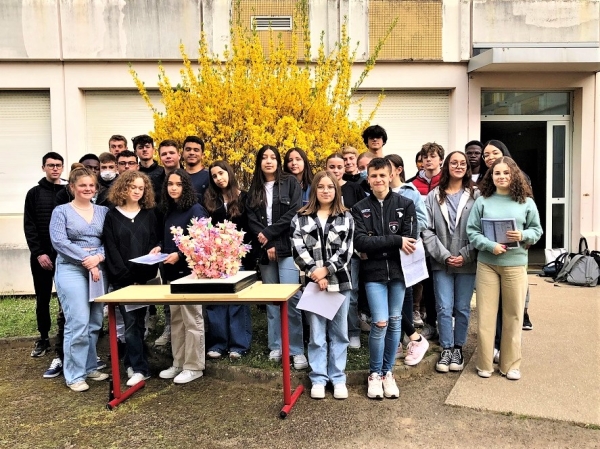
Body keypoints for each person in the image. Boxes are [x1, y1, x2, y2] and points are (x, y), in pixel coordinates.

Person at [467, 157, 542, 381]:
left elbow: (536, 231)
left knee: (514, 316)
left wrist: (523, 235)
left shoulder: (526, 202)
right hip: (488, 264)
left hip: (515, 264)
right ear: (491, 176)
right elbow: (472, 231)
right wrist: (490, 245)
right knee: (486, 316)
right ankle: (484, 363)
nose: (501, 177)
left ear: (514, 176)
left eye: (506, 173)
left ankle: (510, 365)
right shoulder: (482, 201)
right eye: (497, 173)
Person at [351, 158, 418, 400]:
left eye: (382, 175)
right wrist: (395, 241)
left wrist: (380, 242)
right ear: (367, 179)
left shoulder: (406, 204)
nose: (378, 180)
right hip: (373, 275)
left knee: (395, 321)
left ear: (391, 176)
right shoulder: (359, 208)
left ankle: (388, 372)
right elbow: (360, 242)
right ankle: (374, 374)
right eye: (373, 176)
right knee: (379, 323)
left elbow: (411, 240)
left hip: (400, 274)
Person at [291, 171, 354, 400]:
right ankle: (318, 378)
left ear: (336, 190)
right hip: (313, 285)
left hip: (339, 283)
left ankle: (338, 378)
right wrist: (316, 274)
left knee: (340, 333)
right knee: (316, 334)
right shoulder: (301, 217)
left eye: (330, 187)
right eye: (321, 187)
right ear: (313, 190)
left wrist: (327, 270)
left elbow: (346, 251)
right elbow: (297, 249)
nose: (326, 191)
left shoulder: (346, 217)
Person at [49, 164, 110, 392]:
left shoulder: (103, 211)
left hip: (98, 268)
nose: (87, 189)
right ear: (72, 187)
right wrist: (87, 260)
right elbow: (59, 242)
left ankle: (89, 365)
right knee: (78, 322)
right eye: (82, 185)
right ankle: (74, 374)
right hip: (71, 269)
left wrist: (97, 259)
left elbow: (109, 241)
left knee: (95, 321)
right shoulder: (61, 211)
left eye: (91, 185)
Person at [246, 145, 307, 370]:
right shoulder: (254, 188)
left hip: (288, 247)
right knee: (272, 299)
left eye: (273, 157)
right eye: (264, 157)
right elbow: (252, 218)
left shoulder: (290, 182)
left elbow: (294, 213)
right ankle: (276, 345)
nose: (269, 161)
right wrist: (268, 242)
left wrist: (271, 235)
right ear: (259, 162)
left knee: (291, 298)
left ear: (278, 161)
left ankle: (296, 349)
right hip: (266, 249)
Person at [422, 151, 478, 373]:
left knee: (462, 308)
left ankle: (458, 348)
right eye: (454, 162)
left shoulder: (476, 196)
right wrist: (444, 255)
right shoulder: (433, 196)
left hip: (467, 261)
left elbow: (481, 229)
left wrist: (466, 254)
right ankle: (446, 348)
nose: (458, 166)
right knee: (443, 307)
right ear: (446, 166)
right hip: (441, 262)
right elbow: (426, 229)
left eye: (462, 163)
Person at [103, 171, 160, 387]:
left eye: (141, 188)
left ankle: (133, 361)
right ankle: (139, 369)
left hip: (144, 279)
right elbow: (111, 249)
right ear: (123, 188)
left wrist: (156, 252)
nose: (137, 191)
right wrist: (127, 278)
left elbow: (154, 243)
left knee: (138, 323)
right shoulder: (112, 215)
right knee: (130, 324)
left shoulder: (149, 214)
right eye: (132, 187)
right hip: (123, 280)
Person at [481, 139, 534, 353]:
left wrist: (525, 236)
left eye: (494, 152)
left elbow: (531, 219)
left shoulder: (521, 180)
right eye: (486, 155)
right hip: (490, 254)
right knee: (491, 305)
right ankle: (494, 345)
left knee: (511, 302)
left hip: (515, 254)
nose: (489, 157)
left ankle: (508, 344)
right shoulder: (484, 187)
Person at [157, 169, 208, 384]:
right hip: (170, 272)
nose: (174, 188)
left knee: (192, 319)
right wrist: (158, 248)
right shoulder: (168, 209)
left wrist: (179, 255)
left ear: (186, 186)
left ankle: (194, 366)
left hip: (190, 274)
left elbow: (203, 241)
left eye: (178, 184)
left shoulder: (196, 209)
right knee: (176, 319)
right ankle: (178, 362)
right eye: (170, 184)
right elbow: (165, 239)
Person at [203, 161, 254, 360]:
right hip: (215, 258)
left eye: (221, 173)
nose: (219, 178)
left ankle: (239, 344)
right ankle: (218, 343)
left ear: (229, 173)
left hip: (238, 256)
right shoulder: (209, 200)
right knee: (217, 301)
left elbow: (250, 226)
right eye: (214, 176)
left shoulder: (245, 197)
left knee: (237, 301)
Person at [384, 153, 430, 365]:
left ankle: (408, 339)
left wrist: (406, 235)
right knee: (389, 297)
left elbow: (422, 219)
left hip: (407, 251)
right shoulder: (379, 192)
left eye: (388, 168)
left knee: (406, 294)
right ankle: (400, 340)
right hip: (385, 253)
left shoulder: (411, 192)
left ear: (398, 170)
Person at [24, 152, 67, 365]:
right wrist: (39, 253)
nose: (55, 169)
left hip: (64, 257)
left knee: (65, 299)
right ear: (43, 167)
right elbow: (29, 226)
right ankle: (43, 337)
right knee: (42, 298)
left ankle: (64, 337)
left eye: (58, 165)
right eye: (51, 165)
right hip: (41, 256)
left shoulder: (68, 192)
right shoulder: (33, 193)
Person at [325, 154, 366, 350]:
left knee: (351, 292)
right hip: (326, 252)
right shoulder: (322, 188)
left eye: (339, 166)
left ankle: (353, 331)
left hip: (351, 250)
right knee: (328, 293)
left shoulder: (354, 188)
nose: (336, 170)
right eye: (331, 166)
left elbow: (361, 216)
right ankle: (330, 333)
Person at [411, 142, 445, 340]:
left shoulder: (448, 182)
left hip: (442, 243)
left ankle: (445, 324)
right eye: (425, 157)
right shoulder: (413, 184)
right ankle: (430, 323)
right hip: (420, 243)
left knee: (442, 285)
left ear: (441, 159)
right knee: (427, 285)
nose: (428, 160)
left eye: (433, 156)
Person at [133, 134, 164, 201]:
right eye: (141, 147)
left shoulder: (163, 172)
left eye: (147, 147)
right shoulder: (134, 174)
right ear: (135, 152)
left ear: (153, 150)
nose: (144, 150)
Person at [182, 136, 210, 204]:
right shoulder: (177, 176)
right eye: (188, 149)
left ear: (202, 155)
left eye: (196, 150)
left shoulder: (210, 177)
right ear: (183, 153)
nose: (192, 153)